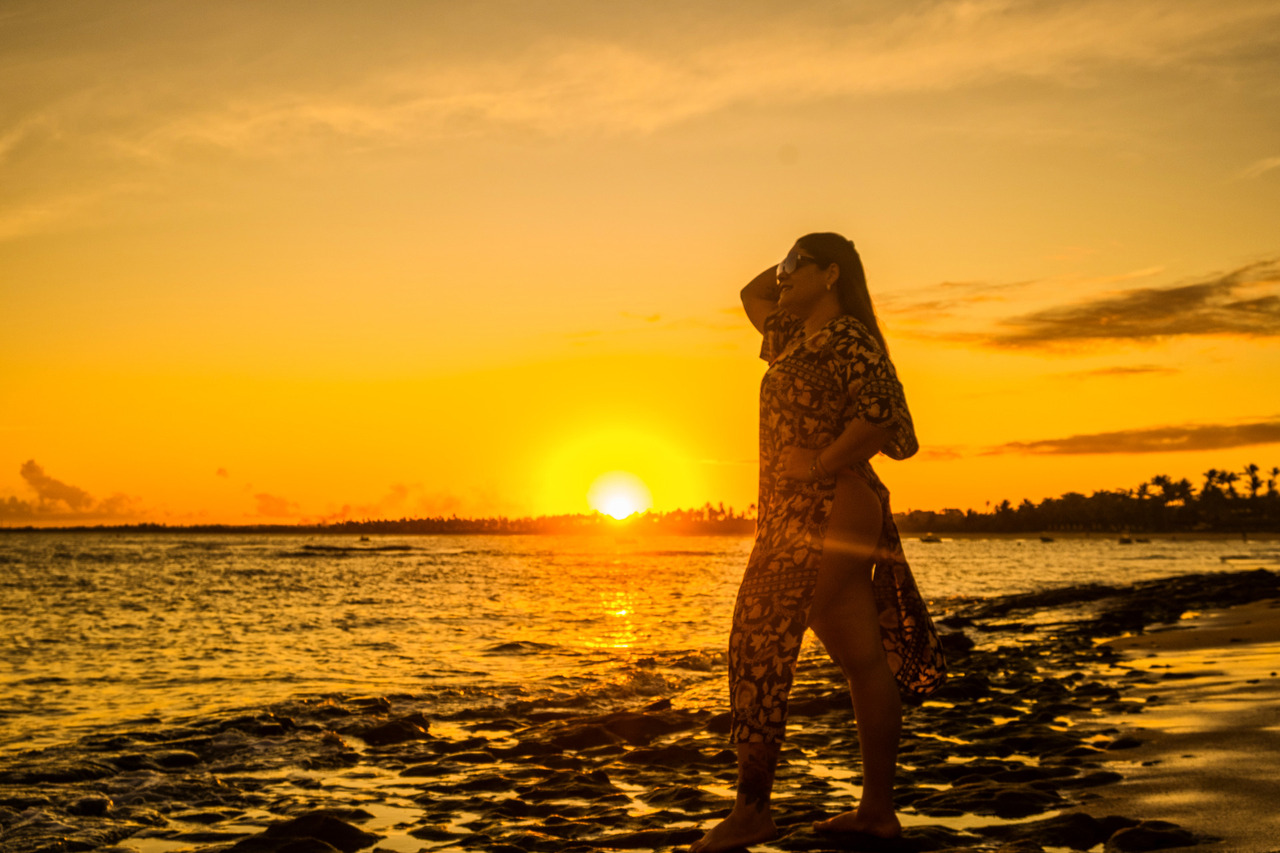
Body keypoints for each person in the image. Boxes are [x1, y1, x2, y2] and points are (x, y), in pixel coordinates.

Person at [691, 233, 947, 852]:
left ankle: (751, 810)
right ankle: (877, 814)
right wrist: (789, 264)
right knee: (862, 658)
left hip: (826, 505)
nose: (779, 278)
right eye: (781, 266)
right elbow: (750, 293)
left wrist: (819, 463)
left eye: (793, 266)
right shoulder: (790, 337)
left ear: (831, 275)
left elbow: (885, 417)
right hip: (799, 515)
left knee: (757, 639)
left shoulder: (848, 339)